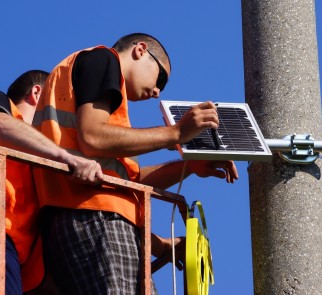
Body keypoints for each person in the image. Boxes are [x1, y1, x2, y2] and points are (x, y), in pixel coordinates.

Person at [33, 33, 239, 294]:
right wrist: (176, 133)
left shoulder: (94, 97)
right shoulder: (103, 59)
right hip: (95, 215)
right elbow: (93, 137)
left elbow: (126, 181)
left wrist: (188, 167)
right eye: (160, 78)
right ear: (140, 50)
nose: (156, 92)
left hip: (81, 214)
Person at [0, 70, 103, 295]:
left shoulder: (41, 159)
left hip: (13, 255)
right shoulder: (1, 105)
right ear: (37, 93)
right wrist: (65, 156)